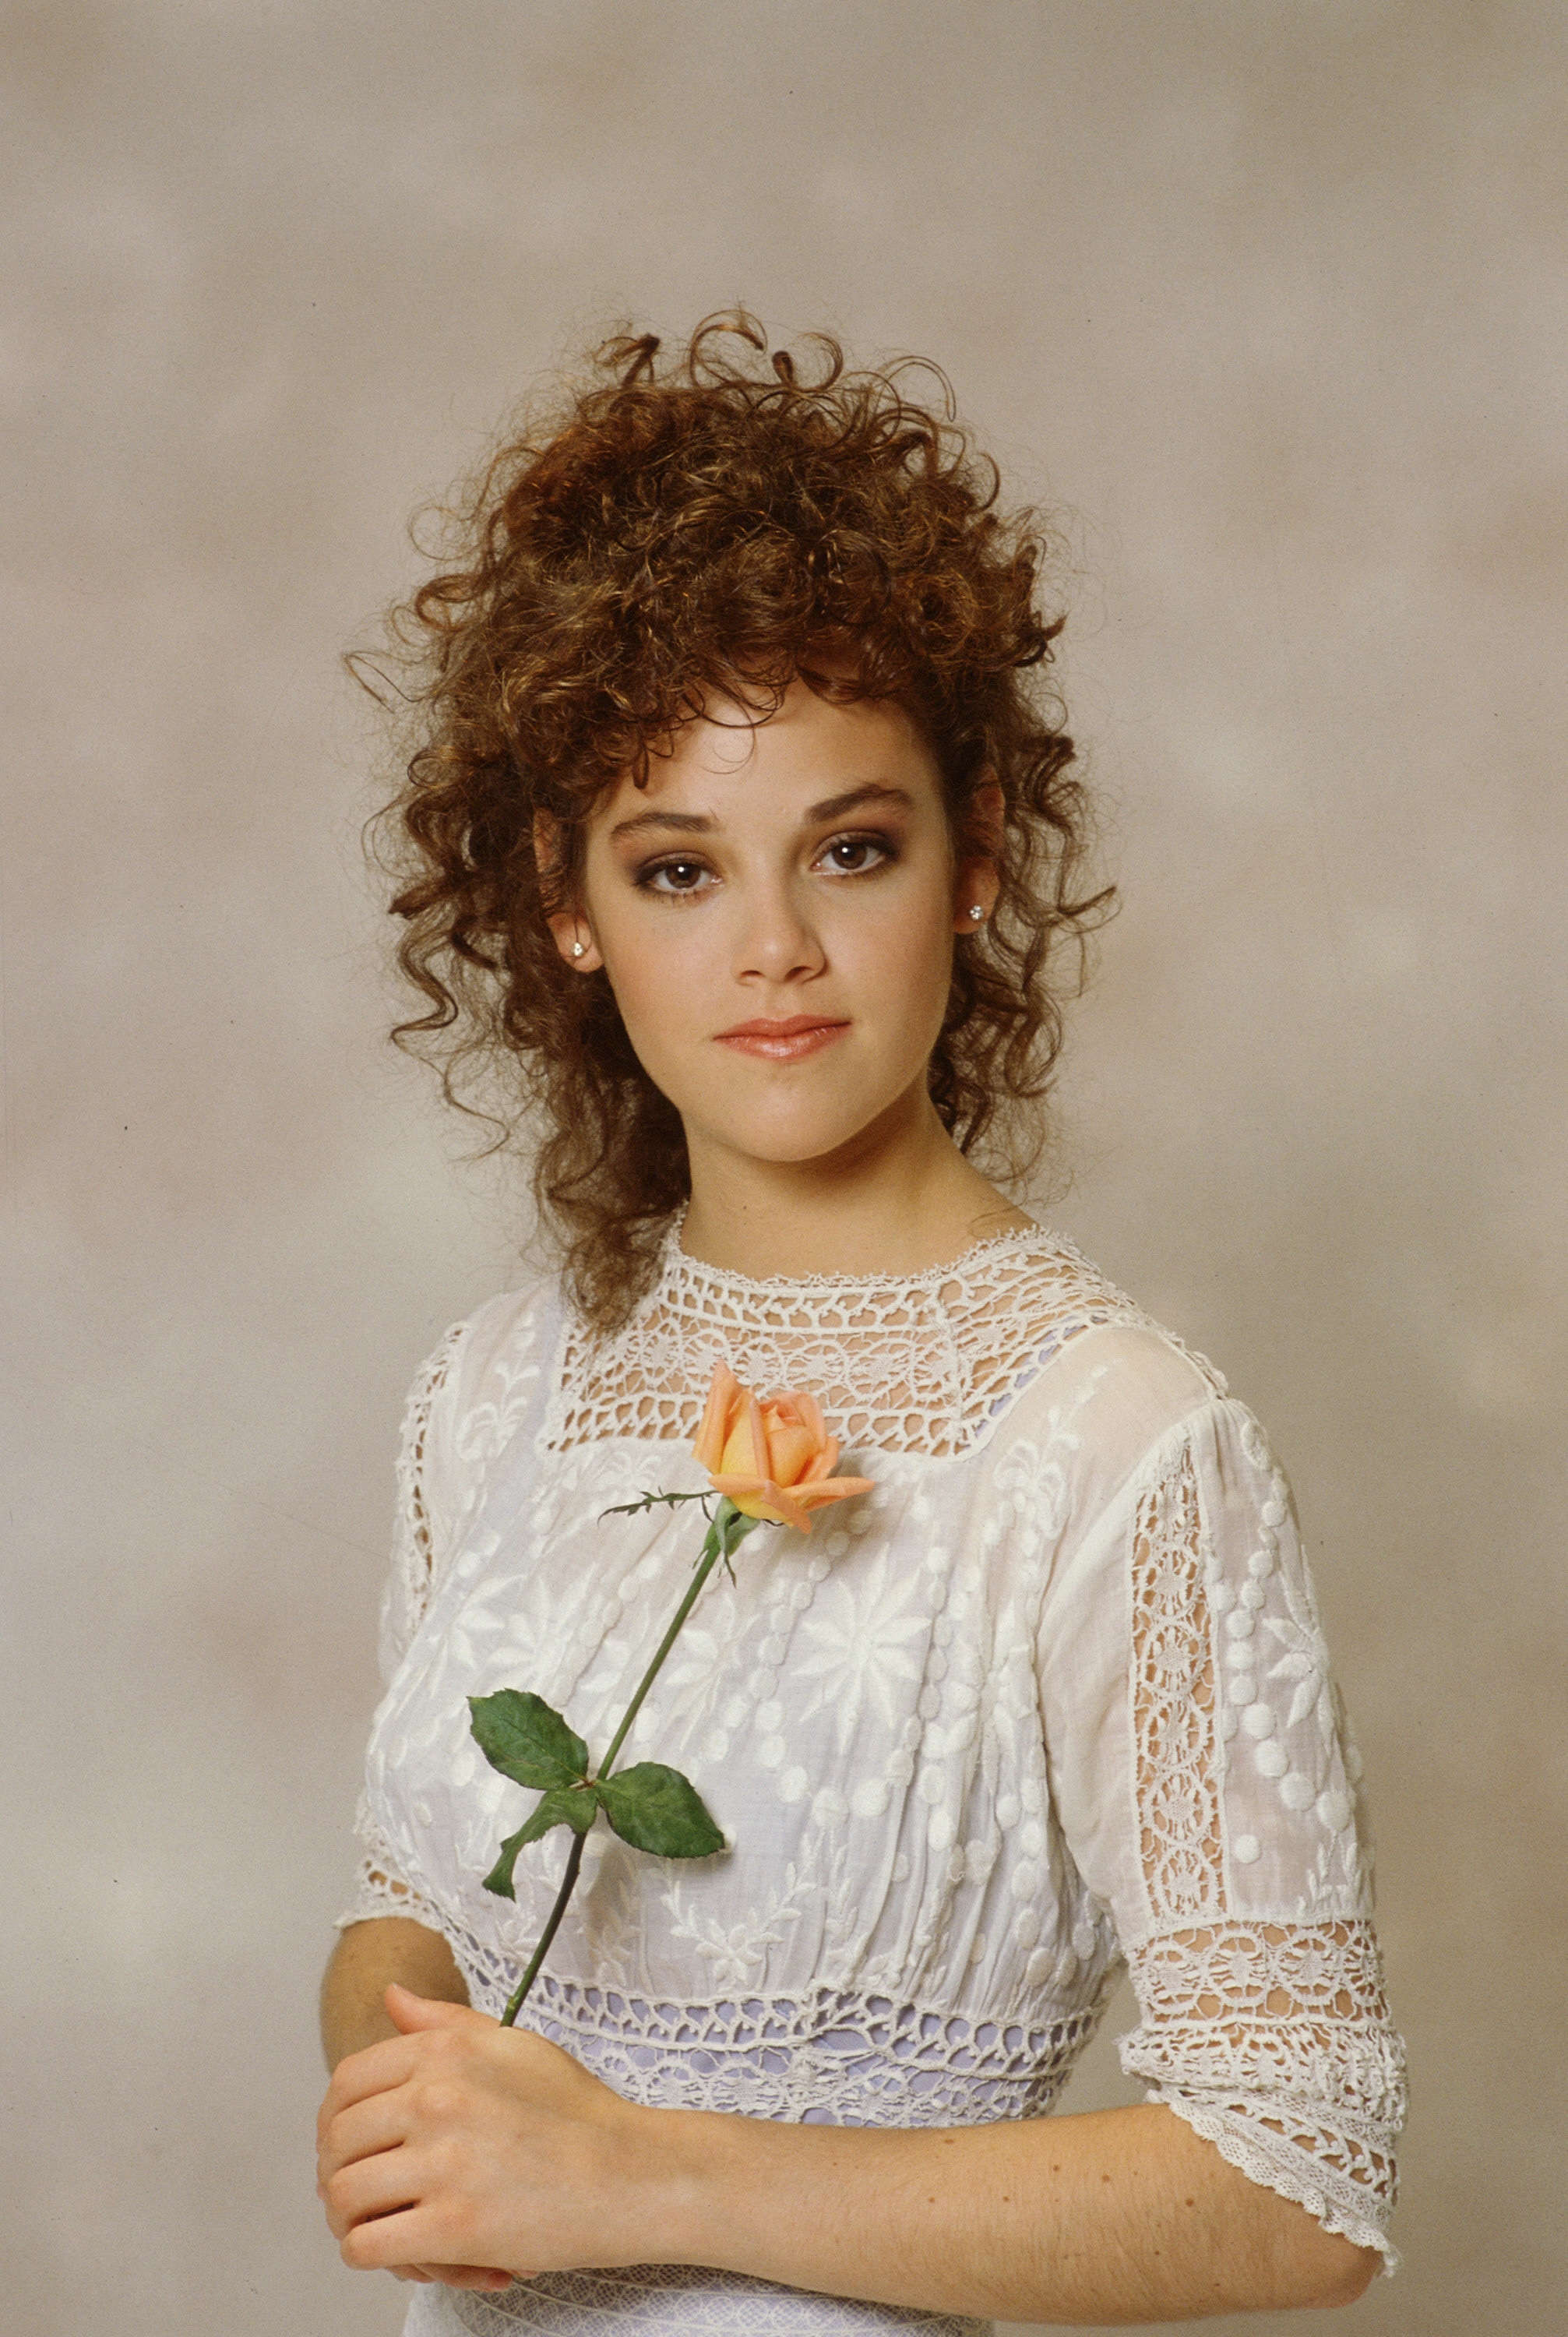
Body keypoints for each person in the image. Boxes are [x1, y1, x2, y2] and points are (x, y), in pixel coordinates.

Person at [315, 315, 1405, 2333]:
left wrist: (634, 2173)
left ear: (975, 851)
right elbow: (408, 1909)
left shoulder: (1115, 1441)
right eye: (675, 866)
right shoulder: (493, 1398)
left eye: (850, 845)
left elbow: (1297, 2178)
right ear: (566, 904)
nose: (777, 950)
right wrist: (399, 2090)